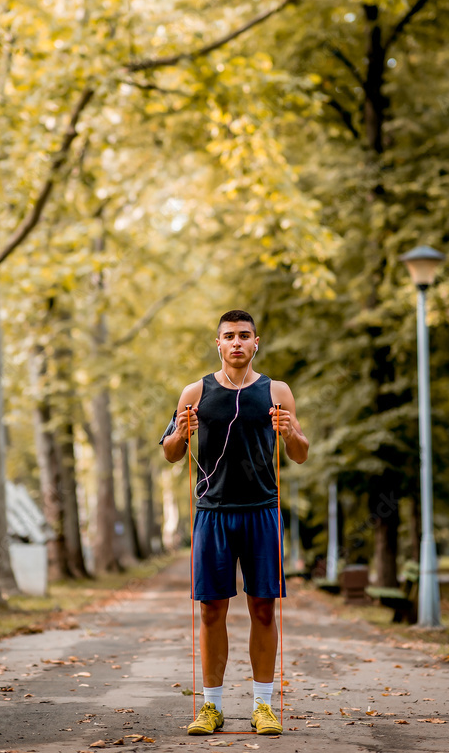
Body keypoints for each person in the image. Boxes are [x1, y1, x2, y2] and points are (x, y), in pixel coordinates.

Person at [160, 309, 309, 737]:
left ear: (256, 342)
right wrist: (181, 432)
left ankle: (263, 707)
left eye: (245, 335)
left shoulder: (277, 391)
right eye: (230, 336)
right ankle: (212, 707)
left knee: (263, 608)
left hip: (262, 511)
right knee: (212, 611)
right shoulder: (195, 392)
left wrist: (289, 431)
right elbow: (170, 453)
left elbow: (300, 453)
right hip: (213, 513)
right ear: (219, 343)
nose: (237, 342)